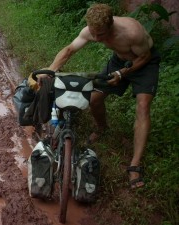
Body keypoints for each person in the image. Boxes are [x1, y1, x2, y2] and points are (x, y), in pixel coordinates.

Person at [37, 3, 161, 189]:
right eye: (93, 33)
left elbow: (145, 56)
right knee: (94, 99)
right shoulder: (91, 31)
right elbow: (69, 50)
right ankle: (102, 128)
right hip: (120, 60)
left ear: (111, 25)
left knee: (143, 107)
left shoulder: (132, 32)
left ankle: (134, 165)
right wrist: (50, 70)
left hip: (144, 64)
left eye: (100, 35)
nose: (95, 38)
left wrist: (122, 74)